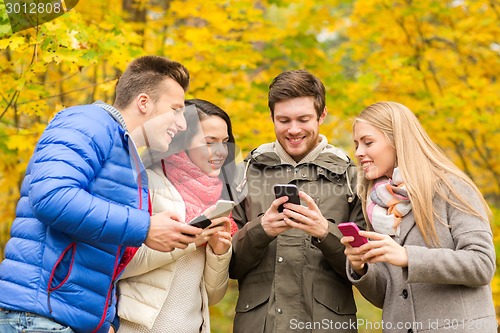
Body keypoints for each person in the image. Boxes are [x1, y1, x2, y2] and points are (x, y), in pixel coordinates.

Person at [0, 56, 204, 333]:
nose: (182, 124)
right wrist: (144, 227)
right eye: (176, 109)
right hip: (39, 317)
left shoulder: (128, 156)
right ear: (144, 102)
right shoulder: (87, 121)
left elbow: (96, 249)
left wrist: (105, 320)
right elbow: (52, 196)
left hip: (68, 320)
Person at [229, 69, 366, 333]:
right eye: (283, 120)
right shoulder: (244, 174)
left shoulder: (352, 178)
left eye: (303, 119)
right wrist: (262, 230)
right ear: (271, 117)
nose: (293, 130)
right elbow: (228, 265)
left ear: (322, 115)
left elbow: (364, 270)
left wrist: (325, 233)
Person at [342, 101, 496, 332]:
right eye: (356, 144)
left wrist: (407, 256)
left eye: (368, 142)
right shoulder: (377, 205)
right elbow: (387, 295)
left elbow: (482, 264)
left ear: (398, 141)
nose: (358, 152)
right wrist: (361, 267)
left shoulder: (451, 188)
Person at [116, 99, 239, 333]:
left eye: (224, 142)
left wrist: (219, 253)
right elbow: (121, 265)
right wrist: (190, 239)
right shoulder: (146, 184)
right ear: (181, 143)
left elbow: (212, 296)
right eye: (209, 142)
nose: (221, 151)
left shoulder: (217, 198)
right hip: (139, 328)